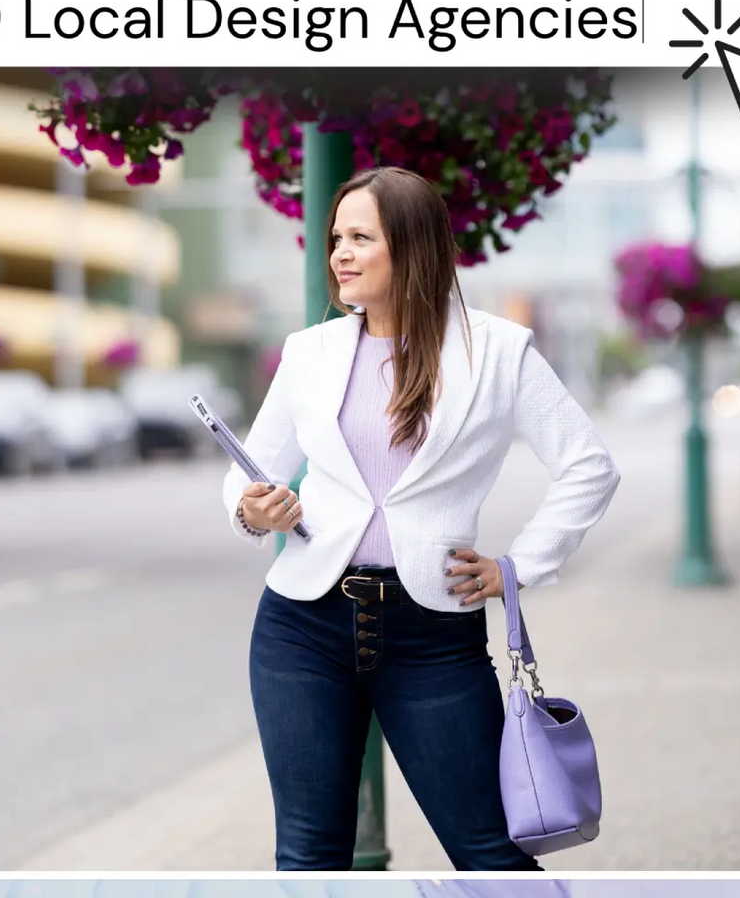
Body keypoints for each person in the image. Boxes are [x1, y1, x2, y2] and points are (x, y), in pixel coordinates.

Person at [221, 166, 620, 871]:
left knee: (492, 852)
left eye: (360, 238)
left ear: (411, 246)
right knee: (308, 855)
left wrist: (518, 567)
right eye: (336, 237)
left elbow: (589, 464)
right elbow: (247, 471)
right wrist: (254, 507)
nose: (340, 253)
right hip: (301, 629)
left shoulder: (498, 350)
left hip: (432, 634)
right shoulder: (309, 353)